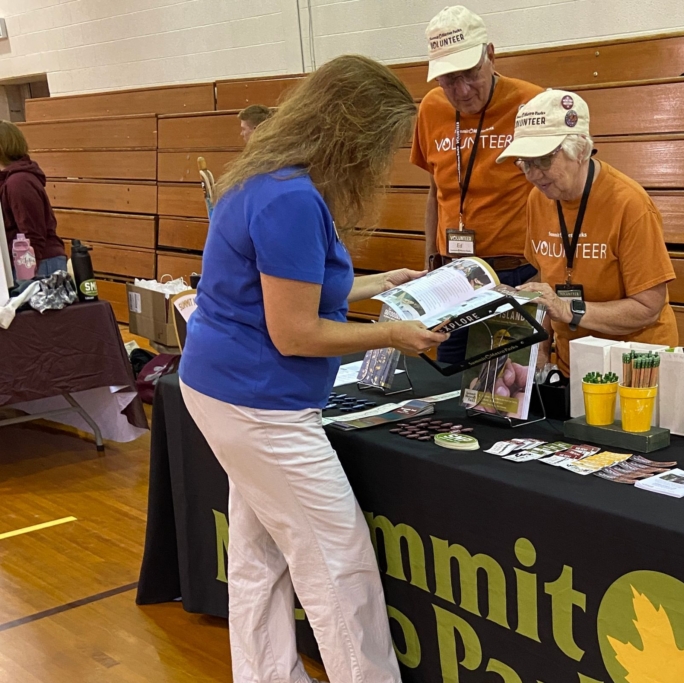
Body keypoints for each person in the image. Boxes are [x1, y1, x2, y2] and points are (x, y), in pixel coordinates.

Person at [178, 56, 447, 683]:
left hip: (227, 389)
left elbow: (294, 287)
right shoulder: (291, 199)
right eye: (381, 143)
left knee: (259, 554)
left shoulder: (266, 179)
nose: (382, 158)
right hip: (259, 403)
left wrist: (383, 282)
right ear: (351, 132)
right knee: (339, 564)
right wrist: (393, 333)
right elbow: (295, 331)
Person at [502, 89, 679, 373]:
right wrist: (542, 351)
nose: (533, 175)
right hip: (571, 368)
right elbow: (544, 285)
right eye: (525, 163)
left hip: (634, 371)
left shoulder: (630, 204)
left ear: (581, 150)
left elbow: (648, 308)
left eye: (543, 160)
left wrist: (568, 310)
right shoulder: (539, 198)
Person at [411, 5, 543, 363]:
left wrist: (547, 272)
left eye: (470, 74)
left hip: (513, 271)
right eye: (449, 79)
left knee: (505, 391)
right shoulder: (431, 109)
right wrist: (429, 262)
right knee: (448, 377)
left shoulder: (530, 104)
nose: (463, 89)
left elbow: (553, 196)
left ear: (491, 55)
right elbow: (435, 191)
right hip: (451, 273)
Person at [0, 122, 64, 278]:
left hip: (39, 264)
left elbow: (32, 234)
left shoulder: (19, 182)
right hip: (26, 263)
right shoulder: (11, 181)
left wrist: (26, 277)